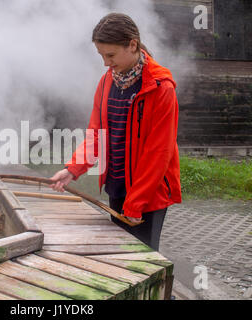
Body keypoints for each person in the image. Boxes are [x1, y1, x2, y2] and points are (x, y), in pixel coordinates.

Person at [50, 13, 182, 252]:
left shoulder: (161, 88)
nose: (106, 63)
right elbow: (96, 134)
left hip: (148, 194)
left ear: (132, 45)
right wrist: (72, 169)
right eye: (101, 55)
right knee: (120, 256)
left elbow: (158, 153)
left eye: (110, 55)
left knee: (144, 259)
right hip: (116, 186)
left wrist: (136, 203)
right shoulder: (106, 82)